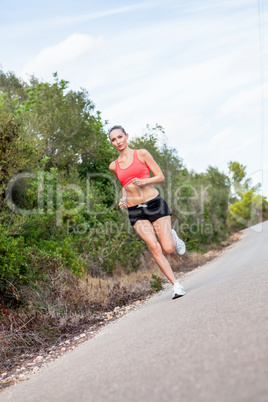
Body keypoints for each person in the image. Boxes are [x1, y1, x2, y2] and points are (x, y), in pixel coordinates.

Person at [108, 125, 186, 299]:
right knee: (154, 247)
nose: (118, 142)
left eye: (120, 137)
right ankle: (176, 285)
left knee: (168, 248)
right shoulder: (113, 166)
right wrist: (124, 199)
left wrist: (144, 182)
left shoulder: (141, 154)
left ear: (126, 136)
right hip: (135, 211)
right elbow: (125, 186)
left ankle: (173, 237)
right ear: (111, 143)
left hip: (154, 204)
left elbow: (160, 176)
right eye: (113, 139)